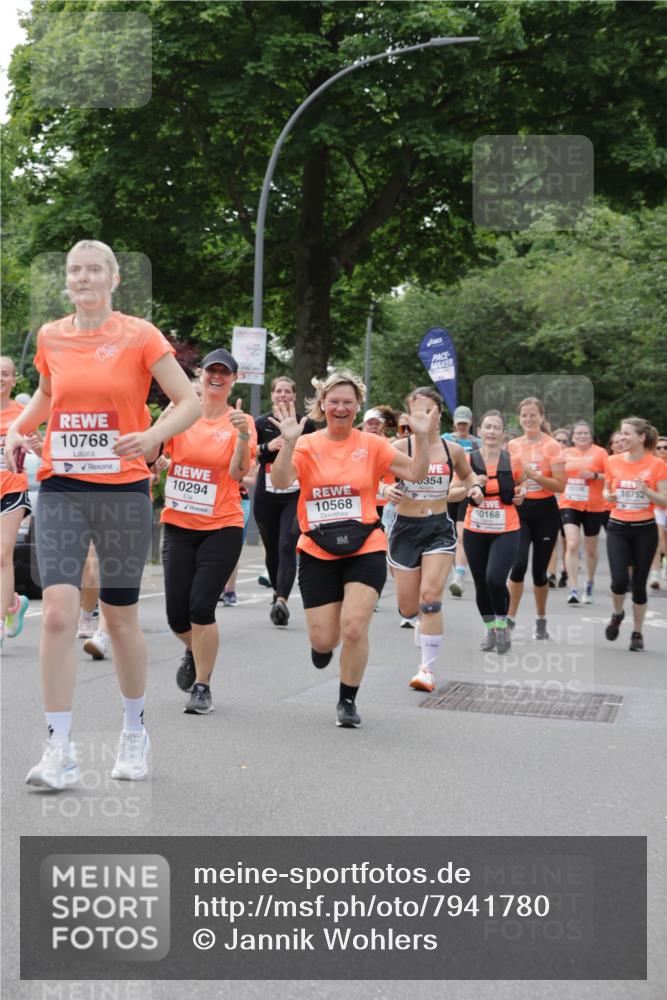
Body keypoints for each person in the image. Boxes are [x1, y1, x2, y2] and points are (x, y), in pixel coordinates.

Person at [5, 239, 201, 790]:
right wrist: (21, 428)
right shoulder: (51, 336)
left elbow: (184, 401)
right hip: (65, 484)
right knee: (62, 614)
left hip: (122, 488)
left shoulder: (139, 335)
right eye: (75, 271)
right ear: (67, 280)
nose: (84, 278)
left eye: (94, 270)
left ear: (114, 280)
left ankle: (134, 730)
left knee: (118, 618)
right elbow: (47, 395)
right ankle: (59, 748)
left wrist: (153, 435)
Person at [268, 369, 435, 728]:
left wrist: (421, 439)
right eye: (334, 402)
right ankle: (322, 645)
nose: (340, 408)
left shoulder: (373, 445)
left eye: (348, 402)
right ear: (322, 405)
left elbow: (417, 474)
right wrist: (291, 443)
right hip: (316, 549)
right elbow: (280, 481)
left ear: (358, 407)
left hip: (365, 544)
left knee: (355, 626)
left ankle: (347, 699)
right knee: (325, 638)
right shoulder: (308, 443)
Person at [161, 348, 256, 714]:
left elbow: (238, 474)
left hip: (221, 526)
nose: (217, 377)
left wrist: (245, 438)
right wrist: (165, 420)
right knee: (176, 616)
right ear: (201, 375)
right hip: (178, 525)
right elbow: (153, 454)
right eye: (211, 371)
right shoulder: (183, 415)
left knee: (202, 607)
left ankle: (202, 686)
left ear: (233, 380)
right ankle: (192, 648)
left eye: (225, 373)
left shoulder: (239, 420)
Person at [385, 388, 483, 692]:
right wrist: (386, 491)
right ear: (409, 415)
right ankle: (417, 622)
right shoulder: (399, 447)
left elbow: (469, 476)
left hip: (438, 528)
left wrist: (475, 488)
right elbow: (375, 478)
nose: (424, 416)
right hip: (404, 529)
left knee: (430, 598)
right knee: (407, 607)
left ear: (440, 414)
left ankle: (426, 669)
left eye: (429, 410)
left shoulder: (452, 450)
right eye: (418, 411)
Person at [253, 376, 316, 626]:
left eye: (287, 391)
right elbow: (251, 452)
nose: (282, 395)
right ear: (272, 395)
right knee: (271, 550)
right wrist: (269, 446)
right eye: (278, 391)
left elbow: (315, 452)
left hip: (294, 494)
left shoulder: (306, 424)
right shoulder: (261, 422)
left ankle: (282, 601)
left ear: (294, 396)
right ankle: (276, 592)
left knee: (287, 545)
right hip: (266, 496)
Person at [462, 410, 525, 654]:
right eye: (487, 427)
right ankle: (490, 629)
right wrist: (470, 489)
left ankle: (502, 626)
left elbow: (522, 486)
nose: (491, 432)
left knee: (495, 579)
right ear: (479, 431)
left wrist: (521, 495)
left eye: (496, 428)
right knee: (480, 583)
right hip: (475, 529)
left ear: (503, 433)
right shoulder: (468, 460)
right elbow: (455, 489)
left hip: (505, 528)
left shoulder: (513, 461)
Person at [604, 417, 667, 651]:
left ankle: (637, 632)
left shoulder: (657, 464)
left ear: (641, 437)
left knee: (639, 586)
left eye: (627, 433)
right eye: (621, 433)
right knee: (619, 581)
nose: (622, 438)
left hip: (645, 530)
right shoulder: (612, 461)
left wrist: (647, 491)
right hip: (618, 527)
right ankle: (618, 613)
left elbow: (664, 499)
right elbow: (606, 490)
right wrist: (607, 496)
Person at [507, 397, 566, 639]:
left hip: (545, 511)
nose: (529, 419)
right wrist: (517, 483)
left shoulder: (552, 446)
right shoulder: (512, 445)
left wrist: (536, 476)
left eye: (533, 415)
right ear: (519, 419)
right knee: (518, 566)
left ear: (541, 417)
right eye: (524, 415)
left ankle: (541, 620)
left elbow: (560, 485)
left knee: (540, 572)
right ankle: (509, 619)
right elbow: (509, 479)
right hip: (520, 510)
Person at [559, 421, 608, 605]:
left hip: (593, 505)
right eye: (578, 433)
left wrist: (594, 475)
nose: (582, 436)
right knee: (572, 544)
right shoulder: (565, 453)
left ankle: (590, 582)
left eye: (585, 433)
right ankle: (573, 588)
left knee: (591, 549)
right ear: (572, 437)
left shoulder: (600, 453)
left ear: (591, 436)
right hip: (570, 502)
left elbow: (610, 476)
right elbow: (555, 474)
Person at [1, 356, 32, 645]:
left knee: (2, 555)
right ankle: (14, 602)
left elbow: (40, 445)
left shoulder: (22, 414)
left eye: (5, 374)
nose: (0, 378)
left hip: (12, 490)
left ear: (13, 380)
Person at [442, 405, 481, 597]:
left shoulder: (477, 443)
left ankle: (459, 575)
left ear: (471, 423)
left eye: (465, 423)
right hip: (447, 490)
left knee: (461, 534)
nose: (462, 427)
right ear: (454, 423)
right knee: (448, 535)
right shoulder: (446, 439)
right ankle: (454, 569)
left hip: (466, 490)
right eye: (459, 423)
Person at [649, 435, 667, 589]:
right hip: (657, 508)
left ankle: (665, 564)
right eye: (658, 447)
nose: (662, 450)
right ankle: (655, 573)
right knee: (657, 540)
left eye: (665, 447)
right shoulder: (653, 465)